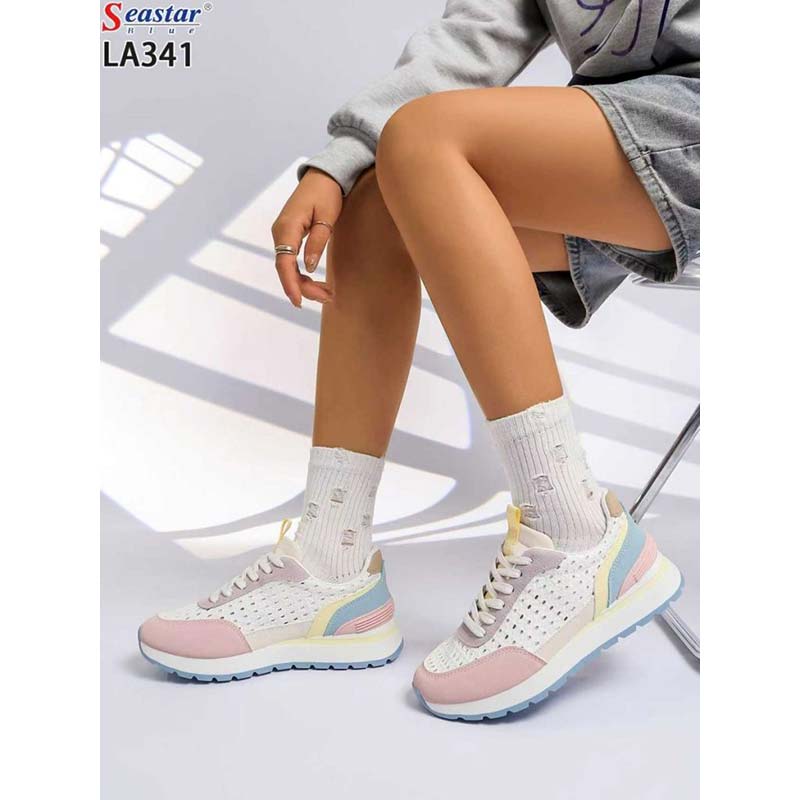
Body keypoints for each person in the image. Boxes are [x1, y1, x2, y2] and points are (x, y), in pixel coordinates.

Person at [138, 0, 699, 721]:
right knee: (377, 197)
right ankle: (332, 563)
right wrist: (339, 162)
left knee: (424, 139)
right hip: (630, 135)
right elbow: (477, 32)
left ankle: (575, 530)